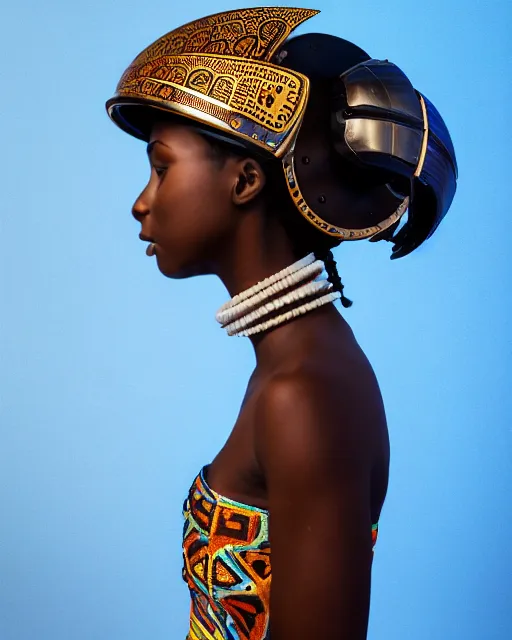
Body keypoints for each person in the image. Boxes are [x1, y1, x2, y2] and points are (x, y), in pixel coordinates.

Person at [105, 7, 457, 640]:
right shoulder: (294, 368)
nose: (142, 200)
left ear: (244, 181)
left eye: (161, 167)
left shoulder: (306, 396)